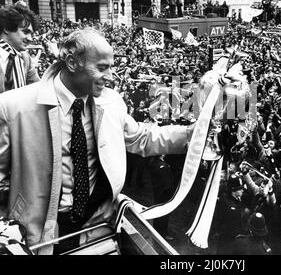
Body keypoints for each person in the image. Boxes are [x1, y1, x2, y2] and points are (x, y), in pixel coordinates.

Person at [0, 28, 194, 255]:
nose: (111, 76)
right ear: (72, 63)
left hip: (98, 230)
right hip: (39, 236)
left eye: (111, 67)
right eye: (102, 68)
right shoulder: (12, 107)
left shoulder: (111, 101)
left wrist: (193, 134)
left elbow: (142, 137)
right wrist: (8, 226)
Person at [0, 3, 40, 93]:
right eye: (25, 32)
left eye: (32, 34)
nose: (30, 39)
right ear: (6, 28)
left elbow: (37, 90)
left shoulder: (25, 58)